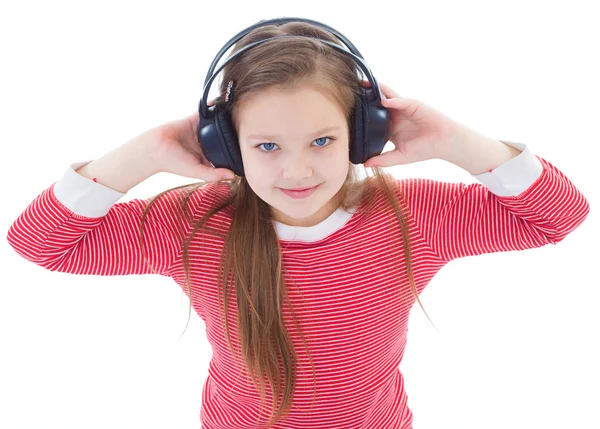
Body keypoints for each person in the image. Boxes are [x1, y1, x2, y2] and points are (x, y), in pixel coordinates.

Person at [6, 18, 590, 429]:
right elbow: (39, 244)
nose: (298, 168)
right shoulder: (189, 225)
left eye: (322, 139)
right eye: (265, 145)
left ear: (363, 134)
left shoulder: (414, 216)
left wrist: (455, 141)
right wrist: (144, 152)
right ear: (226, 148)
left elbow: (559, 217)